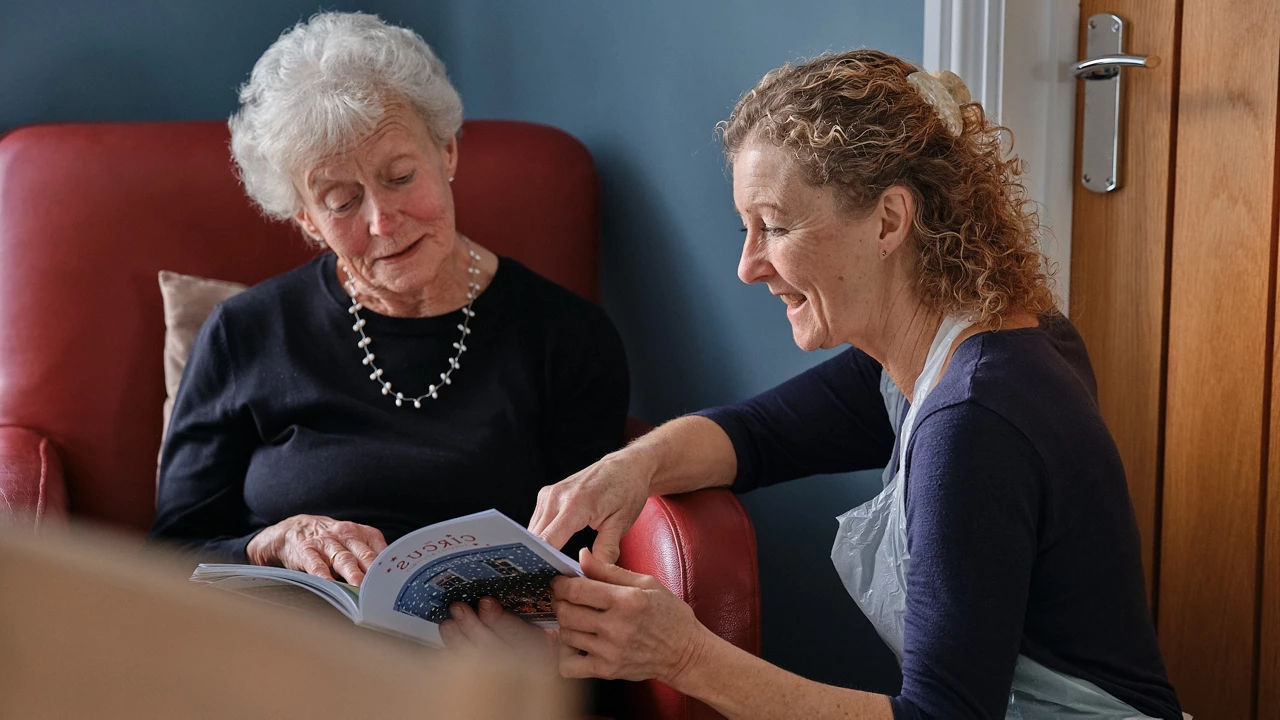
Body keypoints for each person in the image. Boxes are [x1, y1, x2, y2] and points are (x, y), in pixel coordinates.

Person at [526, 51, 1184, 719]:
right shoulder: (953, 348)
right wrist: (628, 468)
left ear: (890, 222)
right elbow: (757, 435)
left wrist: (682, 655)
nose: (748, 267)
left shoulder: (975, 418)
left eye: (776, 227)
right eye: (746, 229)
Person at [150, 12, 628, 590]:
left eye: (400, 177)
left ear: (447, 153)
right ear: (307, 220)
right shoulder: (243, 333)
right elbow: (172, 548)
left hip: (482, 661)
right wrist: (271, 542)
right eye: (341, 201)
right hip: (279, 650)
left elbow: (587, 554)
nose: (382, 222)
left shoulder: (566, 336)